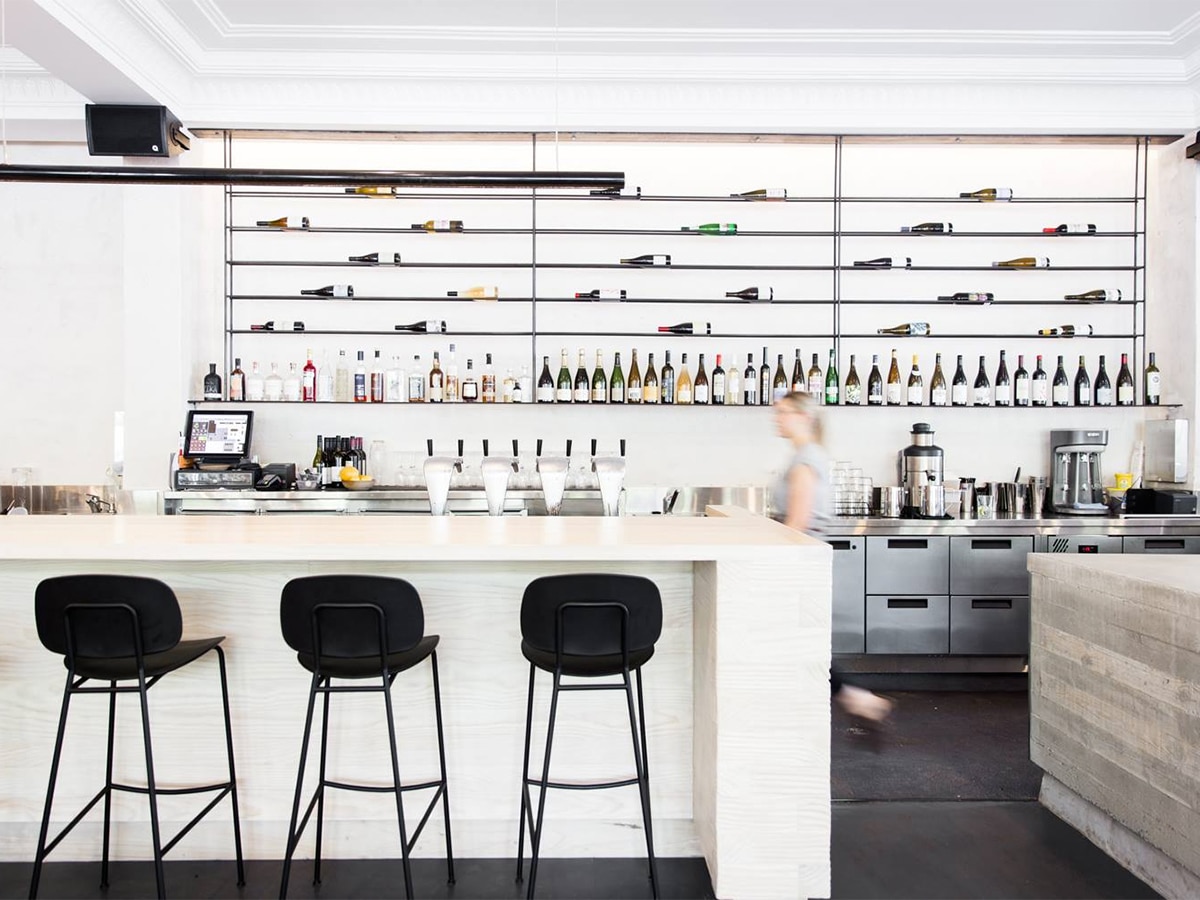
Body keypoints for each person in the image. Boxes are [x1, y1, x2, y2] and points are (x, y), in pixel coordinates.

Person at [770, 390, 893, 729]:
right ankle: (853, 698)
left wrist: (770, 564)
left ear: (804, 417)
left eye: (783, 413)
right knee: (798, 641)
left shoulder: (806, 458)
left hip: (801, 564)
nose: (776, 419)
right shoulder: (805, 454)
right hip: (805, 561)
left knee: (795, 640)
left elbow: (797, 522)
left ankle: (853, 698)